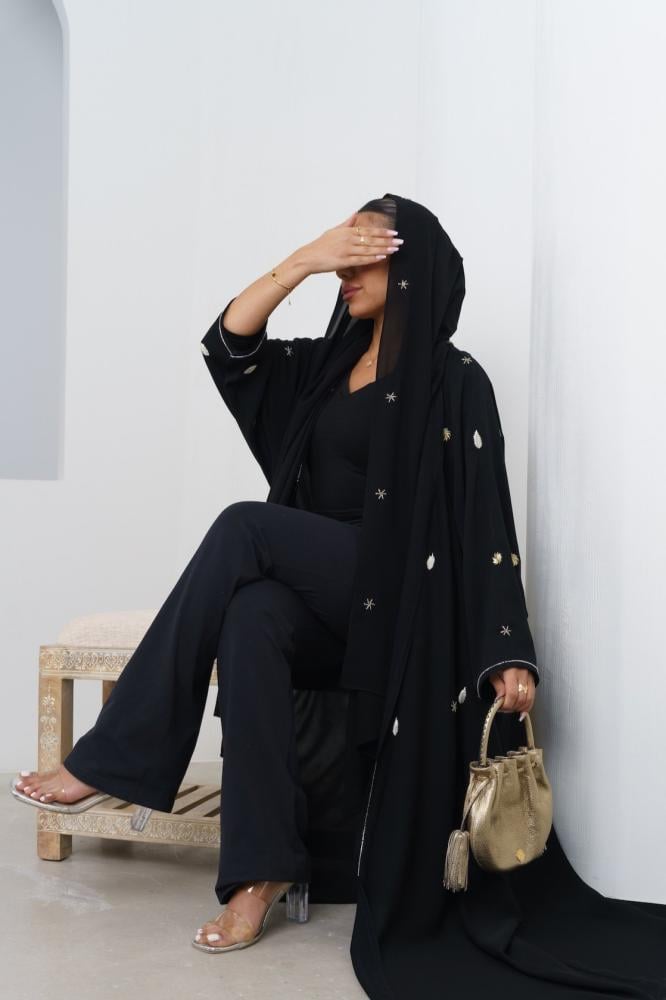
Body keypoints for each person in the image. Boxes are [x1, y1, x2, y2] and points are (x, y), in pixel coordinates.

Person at [11, 193, 666, 998]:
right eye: (342, 255)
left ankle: (114, 757)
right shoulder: (322, 371)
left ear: (409, 267)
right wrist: (304, 260)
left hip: (404, 604)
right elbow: (229, 345)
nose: (345, 274)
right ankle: (258, 876)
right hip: (336, 605)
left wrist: (508, 647)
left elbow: (486, 518)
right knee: (252, 616)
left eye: (363, 256)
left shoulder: (454, 382)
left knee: (243, 528)